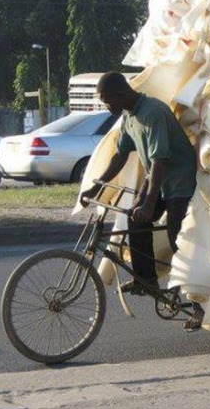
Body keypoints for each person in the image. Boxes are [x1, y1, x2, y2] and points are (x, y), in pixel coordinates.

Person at [79, 72, 203, 332]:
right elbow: (119, 156)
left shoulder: (153, 113)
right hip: (158, 180)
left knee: (176, 238)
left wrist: (149, 203)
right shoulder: (128, 116)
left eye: (106, 100)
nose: (106, 106)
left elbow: (160, 161)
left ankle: (200, 304)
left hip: (179, 180)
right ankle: (146, 280)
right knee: (134, 218)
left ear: (121, 94)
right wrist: (96, 186)